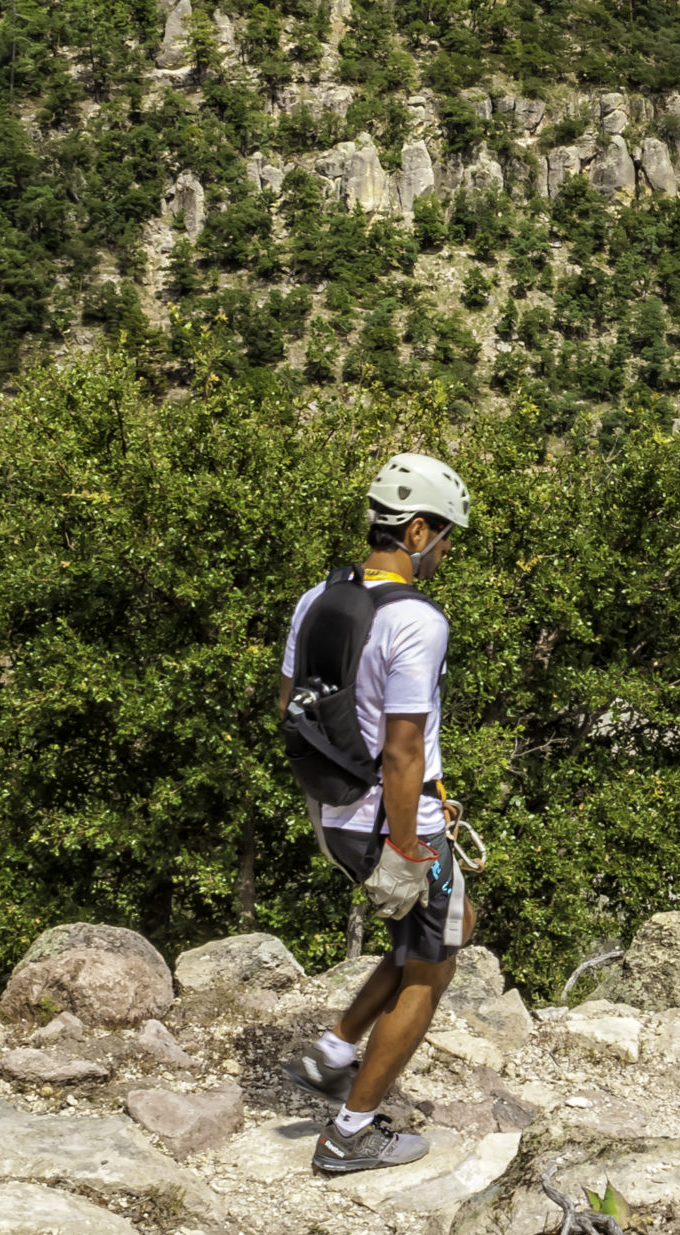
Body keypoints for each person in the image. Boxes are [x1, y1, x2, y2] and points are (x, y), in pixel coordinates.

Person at [278, 453, 476, 1174]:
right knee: (432, 968)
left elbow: (289, 707)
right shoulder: (418, 620)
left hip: (333, 809)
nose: (445, 551)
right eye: (445, 536)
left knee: (451, 926)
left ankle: (335, 1051)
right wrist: (405, 844)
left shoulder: (316, 599)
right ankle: (349, 1131)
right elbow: (402, 751)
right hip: (395, 818)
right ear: (416, 528)